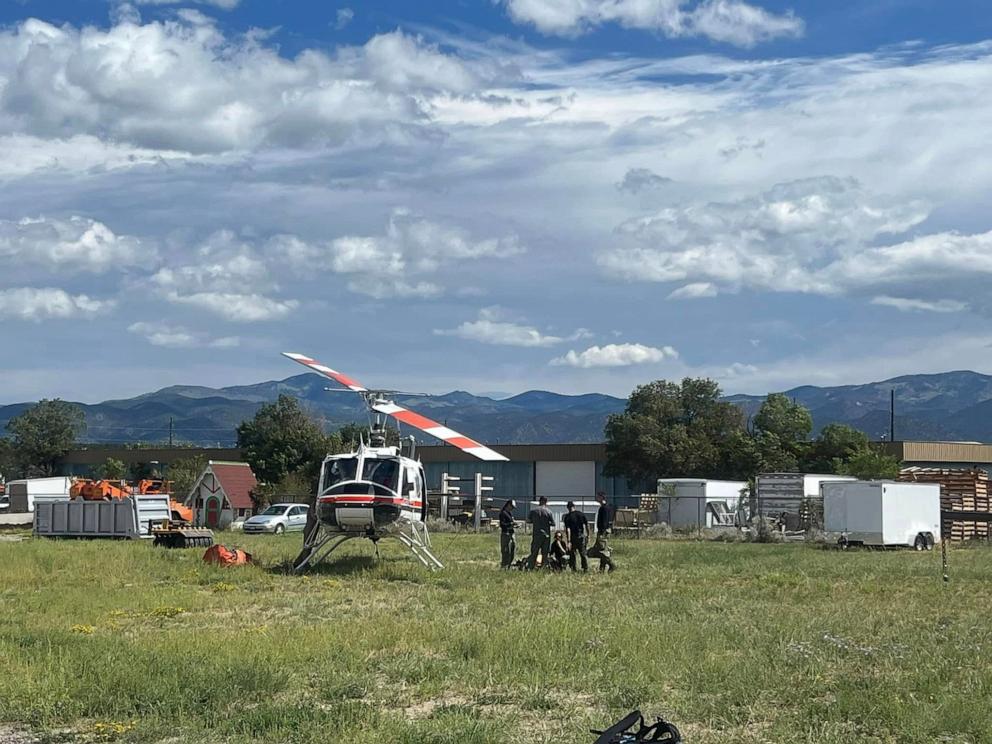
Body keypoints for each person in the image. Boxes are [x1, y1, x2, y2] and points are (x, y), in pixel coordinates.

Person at [526, 496, 555, 570]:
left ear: (540, 501)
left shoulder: (533, 511)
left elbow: (528, 521)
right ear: (546, 502)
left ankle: (530, 567)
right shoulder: (548, 511)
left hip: (537, 534)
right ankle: (543, 568)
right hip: (546, 535)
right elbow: (553, 523)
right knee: (545, 553)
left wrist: (535, 522)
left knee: (534, 552)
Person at [562, 500, 590, 572]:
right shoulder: (581, 514)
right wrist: (588, 535)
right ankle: (585, 568)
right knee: (582, 553)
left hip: (573, 538)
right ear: (574, 506)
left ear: (567, 508)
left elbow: (568, 529)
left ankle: (573, 568)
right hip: (581, 536)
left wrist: (568, 541)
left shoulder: (567, 517)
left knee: (572, 554)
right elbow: (587, 525)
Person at [593, 491, 616, 573]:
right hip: (604, 530)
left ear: (602, 497)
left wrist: (602, 532)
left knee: (602, 551)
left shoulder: (604, 508)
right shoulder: (605, 507)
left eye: (598, 496)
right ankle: (602, 568)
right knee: (602, 549)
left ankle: (611, 564)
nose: (597, 498)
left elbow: (605, 521)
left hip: (603, 531)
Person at [498, 499, 516, 569]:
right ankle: (504, 566)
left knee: (512, 550)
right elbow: (502, 524)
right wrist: (510, 524)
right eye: (512, 507)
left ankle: (509, 565)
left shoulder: (510, 513)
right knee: (506, 551)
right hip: (506, 534)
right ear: (508, 505)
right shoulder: (503, 513)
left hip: (511, 533)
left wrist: (514, 524)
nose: (512, 509)